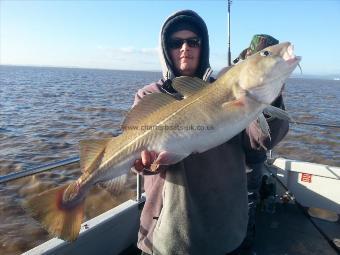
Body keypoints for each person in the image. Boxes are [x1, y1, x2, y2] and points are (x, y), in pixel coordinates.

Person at [131, 11, 288, 255]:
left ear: (203, 46)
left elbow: (260, 142)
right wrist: (143, 161)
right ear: (165, 49)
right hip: (166, 232)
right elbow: (136, 155)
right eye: (176, 43)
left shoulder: (228, 89)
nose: (185, 48)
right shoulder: (149, 96)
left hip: (223, 228)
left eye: (193, 42)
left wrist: (271, 95)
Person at [233, 34, 284, 254]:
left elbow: (267, 137)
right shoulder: (233, 78)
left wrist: (273, 102)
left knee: (247, 207)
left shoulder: (272, 85)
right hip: (223, 164)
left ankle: (245, 246)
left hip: (250, 164)